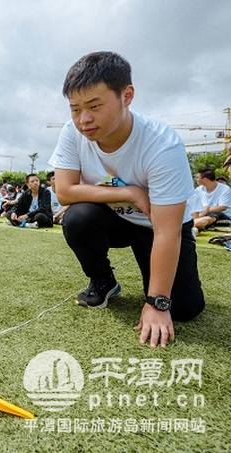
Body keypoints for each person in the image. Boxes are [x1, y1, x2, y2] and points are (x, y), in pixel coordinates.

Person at [50, 51, 204, 348]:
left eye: (94, 106)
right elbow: (65, 191)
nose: (84, 120)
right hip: (116, 217)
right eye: (75, 109)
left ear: (127, 96)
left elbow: (167, 231)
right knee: (78, 218)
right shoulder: (71, 133)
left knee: (185, 308)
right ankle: (103, 281)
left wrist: (158, 304)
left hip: (156, 225)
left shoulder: (162, 145)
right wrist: (129, 192)